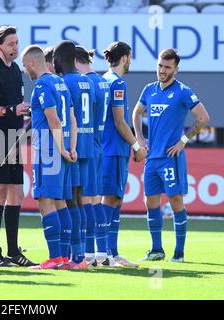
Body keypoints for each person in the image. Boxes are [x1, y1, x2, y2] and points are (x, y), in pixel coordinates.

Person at [132, 49, 210, 262]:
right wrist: (139, 138)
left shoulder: (183, 91)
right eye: (160, 66)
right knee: (150, 202)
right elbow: (136, 112)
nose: (162, 70)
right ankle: (157, 250)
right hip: (152, 158)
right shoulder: (149, 90)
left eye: (167, 67)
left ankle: (179, 253)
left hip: (170, 157)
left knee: (175, 200)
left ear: (176, 69)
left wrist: (183, 141)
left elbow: (203, 117)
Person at [0, 25, 36, 267]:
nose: (15, 47)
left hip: (13, 137)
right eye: (11, 43)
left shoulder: (15, 71)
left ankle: (13, 252)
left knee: (17, 194)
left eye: (16, 43)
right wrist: (9, 110)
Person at [21, 44, 79, 270]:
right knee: (61, 203)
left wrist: (63, 149)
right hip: (62, 150)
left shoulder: (43, 84)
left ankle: (55, 257)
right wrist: (71, 147)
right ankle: (63, 257)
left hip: (49, 151)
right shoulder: (61, 83)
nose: (26, 71)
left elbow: (54, 120)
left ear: (33, 63)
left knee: (45, 202)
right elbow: (71, 119)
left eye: (26, 66)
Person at [102, 41, 146, 267]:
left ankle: (110, 252)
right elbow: (120, 121)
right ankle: (105, 253)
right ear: (126, 57)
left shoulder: (103, 79)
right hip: (114, 149)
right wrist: (137, 146)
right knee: (111, 199)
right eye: (130, 57)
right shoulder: (117, 83)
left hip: (105, 148)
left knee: (114, 198)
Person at [53, 40, 93, 270]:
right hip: (87, 146)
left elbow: (66, 118)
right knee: (80, 200)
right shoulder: (88, 81)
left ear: (59, 60)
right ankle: (81, 254)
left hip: (70, 147)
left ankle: (74, 257)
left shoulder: (62, 84)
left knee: (69, 202)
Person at [75, 45, 110, 266]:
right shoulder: (103, 82)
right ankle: (103, 252)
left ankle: (88, 254)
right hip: (99, 143)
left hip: (86, 144)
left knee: (85, 200)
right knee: (96, 200)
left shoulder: (85, 83)